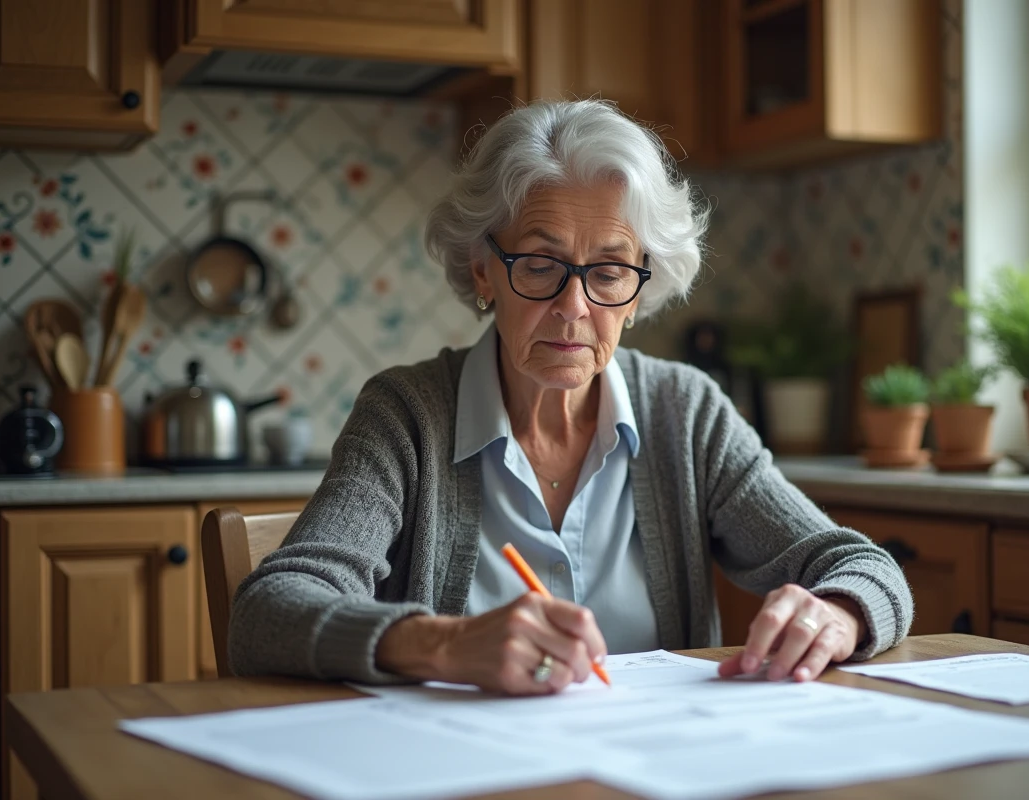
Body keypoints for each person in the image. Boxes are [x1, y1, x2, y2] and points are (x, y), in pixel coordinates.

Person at [229, 99, 913, 696]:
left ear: (640, 290)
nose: (573, 307)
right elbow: (269, 612)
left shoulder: (686, 411)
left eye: (609, 270)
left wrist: (838, 612)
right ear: (484, 271)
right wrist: (443, 644)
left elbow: (861, 567)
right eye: (539, 264)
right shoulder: (408, 415)